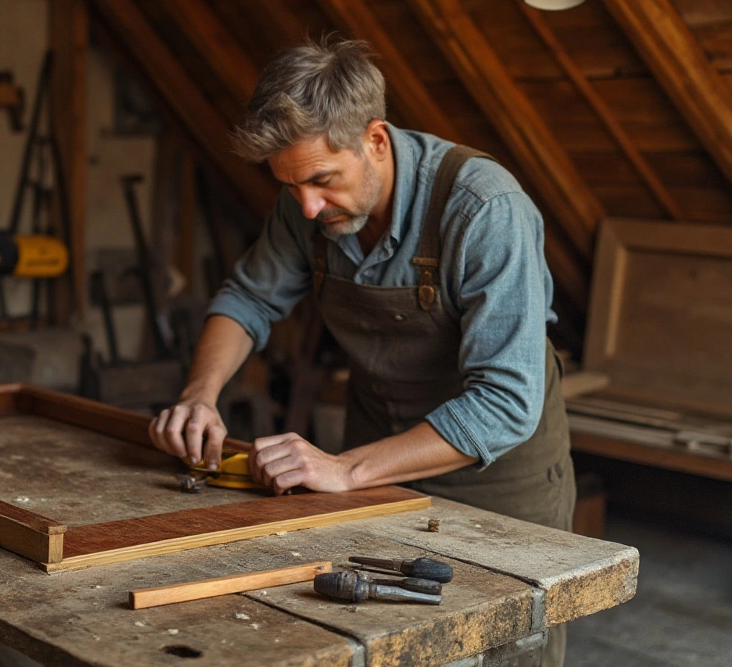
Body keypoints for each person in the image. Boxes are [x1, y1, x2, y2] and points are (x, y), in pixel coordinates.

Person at [149, 37, 575, 667]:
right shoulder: (306, 205)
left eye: (323, 180)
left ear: (375, 139)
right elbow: (247, 300)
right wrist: (199, 394)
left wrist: (345, 470)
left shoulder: (486, 208)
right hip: (374, 454)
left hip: (500, 480)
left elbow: (506, 401)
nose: (308, 207)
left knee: (505, 650)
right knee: (375, 641)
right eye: (291, 187)